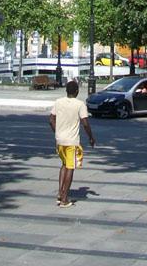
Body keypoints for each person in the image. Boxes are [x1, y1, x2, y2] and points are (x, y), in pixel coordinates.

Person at [49, 80, 95, 208]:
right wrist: (91, 137)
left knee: (64, 165)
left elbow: (51, 119)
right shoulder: (80, 105)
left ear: (66, 91)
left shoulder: (58, 102)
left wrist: (56, 131)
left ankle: (60, 193)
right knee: (70, 167)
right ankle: (64, 199)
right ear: (77, 91)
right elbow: (85, 123)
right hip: (72, 141)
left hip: (59, 140)